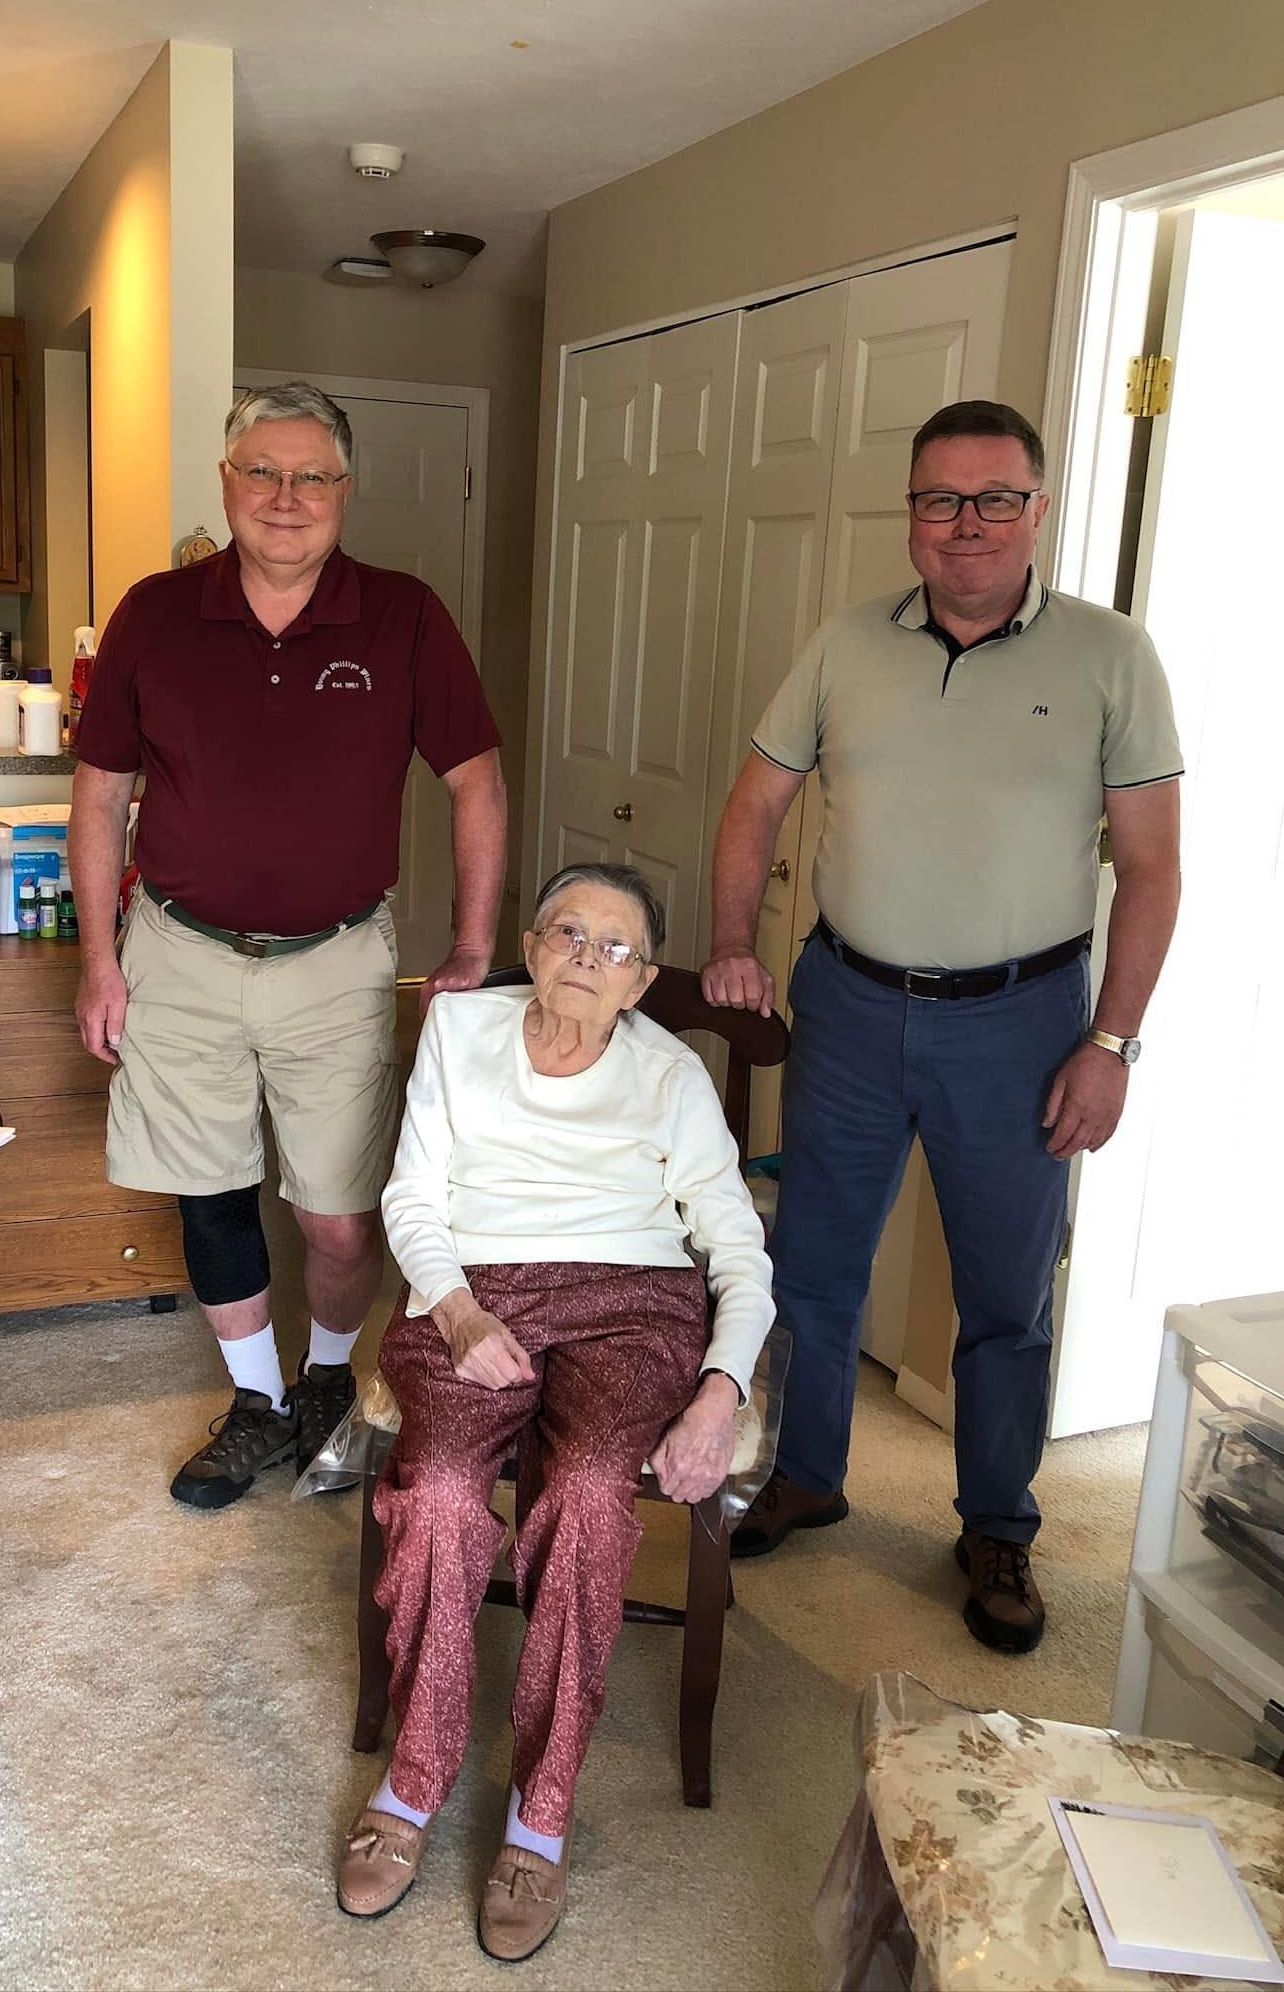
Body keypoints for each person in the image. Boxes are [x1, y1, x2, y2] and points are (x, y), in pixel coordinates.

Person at [701, 398, 1182, 1654]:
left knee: (1007, 1294)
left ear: (1037, 508)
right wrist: (736, 944)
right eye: (937, 500)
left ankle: (998, 1522)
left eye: (994, 499)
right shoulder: (846, 644)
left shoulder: (1111, 655)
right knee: (806, 1259)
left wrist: (1113, 1043)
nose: (965, 525)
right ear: (910, 513)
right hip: (850, 1004)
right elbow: (754, 807)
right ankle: (803, 1471)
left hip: (1023, 1023)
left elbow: (1154, 868)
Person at [70, 383, 506, 1509]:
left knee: (339, 1208)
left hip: (338, 959)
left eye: (312, 475)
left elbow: (476, 778)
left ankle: (323, 1380)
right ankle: (256, 1399)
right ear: (226, 482)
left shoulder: (403, 613)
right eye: (262, 470)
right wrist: (98, 960)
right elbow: (97, 790)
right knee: (208, 1190)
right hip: (178, 950)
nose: (286, 497)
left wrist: (470, 943)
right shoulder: (155, 613)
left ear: (344, 492)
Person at [335, 863, 773, 1960]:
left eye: (614, 945)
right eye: (567, 930)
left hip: (632, 1305)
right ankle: (417, 1772)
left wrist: (721, 1390)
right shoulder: (460, 1032)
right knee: (435, 1492)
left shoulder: (672, 1077)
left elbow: (739, 1250)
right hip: (475, 1288)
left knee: (583, 1492)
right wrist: (456, 1309)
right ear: (529, 943)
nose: (585, 954)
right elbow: (413, 1194)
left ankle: (542, 1807)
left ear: (642, 980)